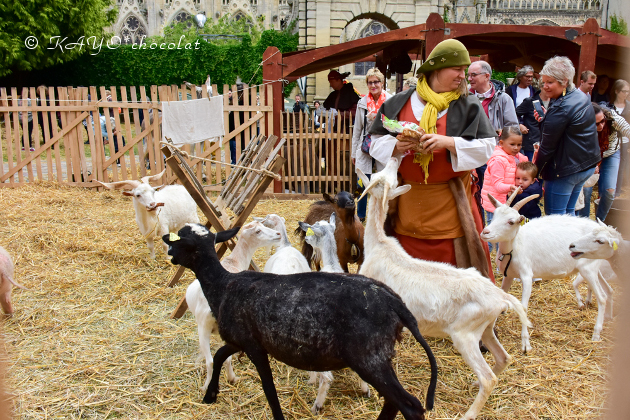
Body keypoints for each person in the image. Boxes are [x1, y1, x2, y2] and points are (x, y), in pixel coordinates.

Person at [369, 39, 497, 280]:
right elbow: (374, 141)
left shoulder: (468, 105)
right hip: (407, 203)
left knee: (454, 279)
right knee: (407, 275)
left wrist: (448, 143)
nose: (463, 76)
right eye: (457, 69)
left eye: (465, 70)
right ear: (437, 69)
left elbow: (487, 147)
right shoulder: (398, 103)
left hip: (451, 204)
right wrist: (396, 146)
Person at [533, 56, 600, 215]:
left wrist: (535, 172)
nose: (545, 86)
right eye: (543, 82)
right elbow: (569, 129)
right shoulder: (580, 96)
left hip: (564, 170)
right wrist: (545, 121)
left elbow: (547, 148)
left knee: (556, 219)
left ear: (564, 81)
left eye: (550, 82)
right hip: (584, 165)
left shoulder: (560, 108)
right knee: (569, 214)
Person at [467, 60, 519, 189]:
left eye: (473, 75)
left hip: (492, 154)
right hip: (468, 152)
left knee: (490, 190)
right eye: (468, 75)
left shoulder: (503, 98)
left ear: (487, 76)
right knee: (471, 191)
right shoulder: (464, 96)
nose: (469, 79)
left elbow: (512, 127)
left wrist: (502, 151)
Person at [351, 68, 393, 222]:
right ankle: (360, 215)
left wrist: (380, 119)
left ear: (382, 83)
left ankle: (382, 215)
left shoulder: (390, 100)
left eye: (376, 81)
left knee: (383, 181)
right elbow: (357, 129)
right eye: (370, 82)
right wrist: (354, 153)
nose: (373, 85)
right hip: (365, 144)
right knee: (362, 181)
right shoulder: (362, 102)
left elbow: (395, 125)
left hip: (383, 143)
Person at [578, 103, 630, 221]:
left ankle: (600, 222)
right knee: (585, 190)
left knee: (610, 191)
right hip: (589, 156)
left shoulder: (612, 118)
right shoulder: (580, 125)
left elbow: (627, 129)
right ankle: (584, 223)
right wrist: (592, 163)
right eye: (596, 124)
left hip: (611, 153)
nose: (601, 125)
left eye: (602, 121)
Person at [480, 126, 528, 227]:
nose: (516, 148)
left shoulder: (512, 155)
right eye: (512, 144)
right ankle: (492, 244)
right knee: (494, 227)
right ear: (501, 143)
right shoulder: (498, 161)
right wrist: (510, 187)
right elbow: (497, 185)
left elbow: (524, 161)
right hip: (494, 203)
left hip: (503, 201)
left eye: (519, 145)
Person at [516, 84, 550, 161]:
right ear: (541, 86)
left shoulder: (555, 102)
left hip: (549, 142)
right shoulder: (530, 101)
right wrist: (519, 125)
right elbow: (513, 114)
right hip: (532, 142)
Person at [609, 79, 630, 196]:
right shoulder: (609, 105)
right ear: (617, 91)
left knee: (621, 166)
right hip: (611, 140)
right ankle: (609, 191)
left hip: (625, 140)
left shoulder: (629, 106)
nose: (626, 94)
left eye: (628, 91)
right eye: (624, 91)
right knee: (611, 165)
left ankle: (616, 193)